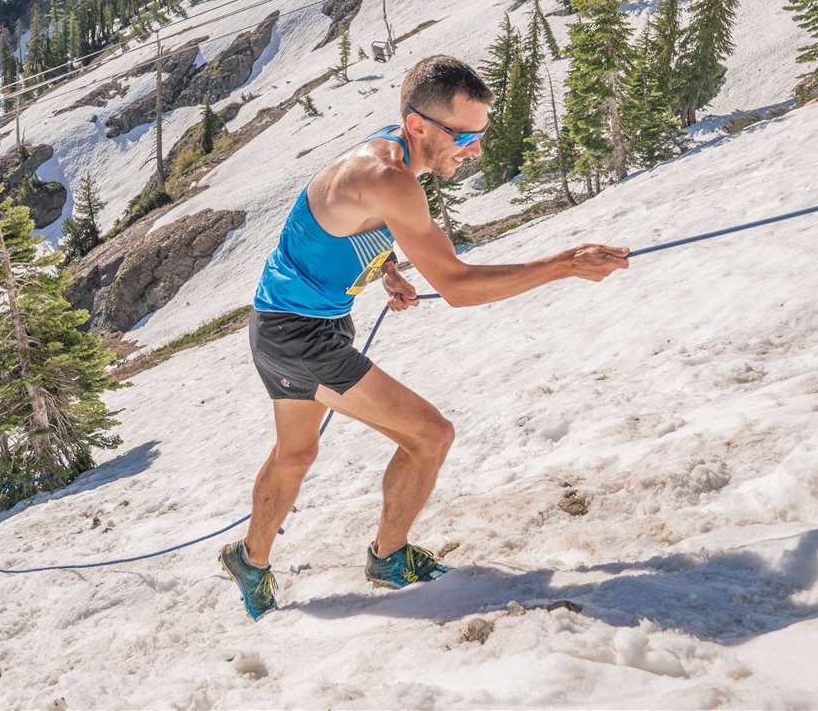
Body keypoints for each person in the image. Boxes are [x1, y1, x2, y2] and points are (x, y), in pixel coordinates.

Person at [220, 55, 629, 618]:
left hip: (286, 320)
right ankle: (388, 559)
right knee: (430, 436)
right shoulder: (390, 177)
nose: (477, 149)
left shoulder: (392, 161)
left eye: (482, 134)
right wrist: (564, 265)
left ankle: (251, 560)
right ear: (418, 125)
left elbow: (349, 226)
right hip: (300, 335)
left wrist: (384, 271)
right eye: (466, 135)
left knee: (297, 451)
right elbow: (458, 286)